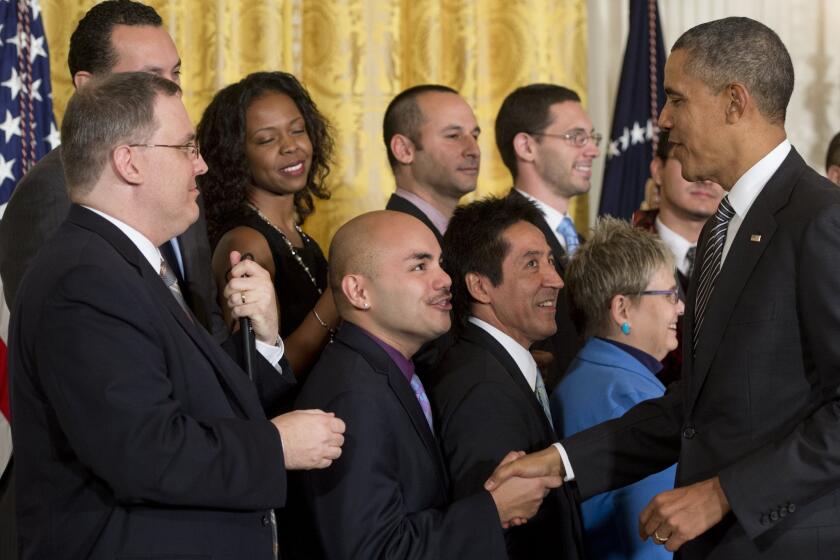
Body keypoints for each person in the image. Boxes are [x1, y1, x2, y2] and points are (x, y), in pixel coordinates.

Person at [486, 17, 840, 558]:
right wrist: (559, 461)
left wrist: (724, 494)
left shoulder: (821, 219)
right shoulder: (727, 224)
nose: (663, 118)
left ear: (734, 102)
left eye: (677, 99)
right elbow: (695, 410)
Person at [10, 72, 345, 560]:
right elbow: (144, 451)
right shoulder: (84, 279)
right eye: (186, 148)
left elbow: (192, 401)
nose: (203, 165)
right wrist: (276, 446)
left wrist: (266, 342)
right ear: (130, 162)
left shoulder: (122, 262)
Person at [0, 2, 224, 556]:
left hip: (195, 498)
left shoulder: (174, 184)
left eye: (174, 74)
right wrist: (266, 448)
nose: (170, 90)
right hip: (109, 522)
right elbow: (93, 382)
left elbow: (199, 335)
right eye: (149, 78)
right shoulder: (52, 200)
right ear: (86, 88)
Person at [294, 210, 562, 559]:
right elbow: (374, 552)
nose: (445, 280)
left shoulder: (386, 374)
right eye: (420, 267)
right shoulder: (354, 396)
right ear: (359, 291)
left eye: (440, 263)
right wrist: (491, 509)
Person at [430, 195, 584, 560]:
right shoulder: (482, 392)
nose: (556, 280)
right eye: (532, 264)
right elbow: (498, 538)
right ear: (480, 287)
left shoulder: (497, 366)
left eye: (550, 260)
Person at [550, 218, 680, 560]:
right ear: (622, 308)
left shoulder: (592, 375)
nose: (680, 307)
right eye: (669, 295)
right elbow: (654, 543)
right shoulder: (626, 396)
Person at [198, 71, 338, 377]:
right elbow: (256, 374)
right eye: (267, 139)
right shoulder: (246, 243)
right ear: (236, 155)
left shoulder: (298, 237)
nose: (290, 146)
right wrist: (337, 297)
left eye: (297, 130)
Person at [494, 84, 600, 387]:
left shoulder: (582, 241)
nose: (592, 149)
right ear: (527, 147)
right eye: (576, 137)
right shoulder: (501, 236)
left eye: (592, 138)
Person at [632, 130, 724, 386]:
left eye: (715, 165)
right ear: (658, 169)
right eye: (689, 158)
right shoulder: (621, 256)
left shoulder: (748, 254)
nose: (704, 177)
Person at [382, 84, 481, 244]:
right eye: (453, 136)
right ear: (404, 150)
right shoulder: (394, 243)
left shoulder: (472, 235)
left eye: (475, 136)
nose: (474, 150)